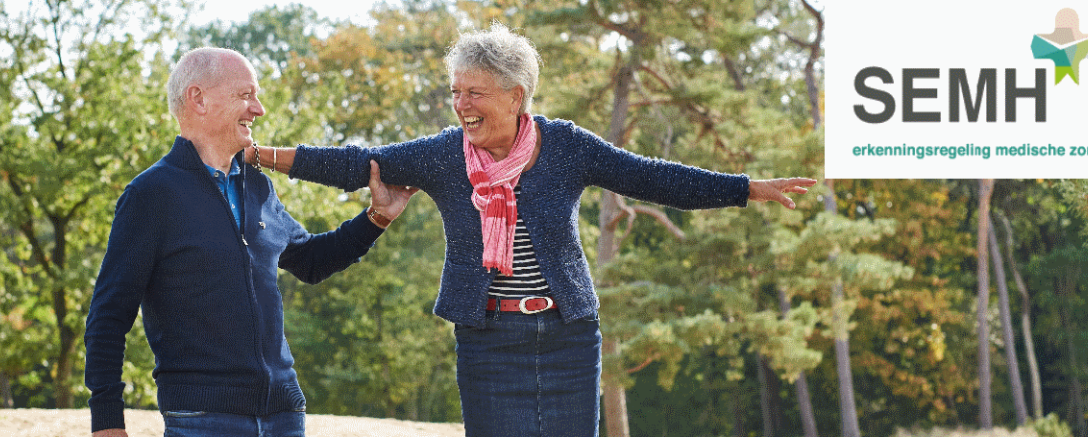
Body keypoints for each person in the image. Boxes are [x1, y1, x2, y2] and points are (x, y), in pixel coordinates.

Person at [245, 24, 815, 437]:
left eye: (475, 92)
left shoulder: (566, 146)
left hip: (568, 334)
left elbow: (654, 178)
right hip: (487, 339)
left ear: (516, 96)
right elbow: (354, 162)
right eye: (455, 91)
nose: (460, 105)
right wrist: (259, 154)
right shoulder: (444, 156)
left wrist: (745, 188)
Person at [83, 47, 418, 437]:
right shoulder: (151, 195)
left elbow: (310, 261)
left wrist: (377, 217)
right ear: (198, 99)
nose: (258, 109)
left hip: (284, 415)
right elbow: (108, 318)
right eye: (246, 95)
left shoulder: (258, 186)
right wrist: (107, 424)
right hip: (202, 420)